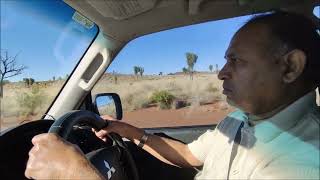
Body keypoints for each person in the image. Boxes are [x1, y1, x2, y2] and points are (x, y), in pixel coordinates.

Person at [25, 11, 320, 179]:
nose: (221, 72)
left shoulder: (303, 161)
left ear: (290, 67)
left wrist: (77, 173)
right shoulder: (239, 121)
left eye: (237, 60)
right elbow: (191, 155)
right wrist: (129, 132)